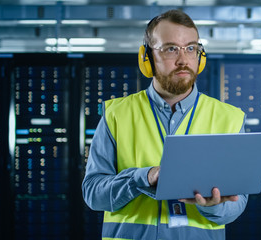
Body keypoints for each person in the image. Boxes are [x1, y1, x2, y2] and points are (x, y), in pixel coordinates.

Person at [82, 9, 248, 240]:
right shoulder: (116, 114)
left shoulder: (229, 118)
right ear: (146, 58)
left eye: (191, 48)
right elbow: (93, 194)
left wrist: (212, 205)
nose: (183, 60)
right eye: (171, 49)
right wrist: (143, 177)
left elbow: (237, 204)